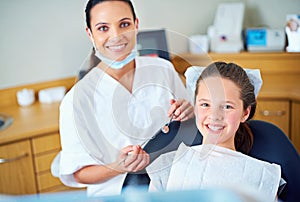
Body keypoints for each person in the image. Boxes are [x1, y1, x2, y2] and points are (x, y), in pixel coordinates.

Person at [56, 0, 194, 197]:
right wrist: (118, 167)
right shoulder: (77, 100)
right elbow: (78, 173)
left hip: (172, 182)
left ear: (136, 25)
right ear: (90, 34)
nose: (116, 36)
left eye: (124, 24)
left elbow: (190, 123)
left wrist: (189, 112)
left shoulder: (163, 69)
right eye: (103, 28)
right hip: (115, 193)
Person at [147, 62, 282, 201]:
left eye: (227, 106)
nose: (214, 115)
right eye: (205, 104)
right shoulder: (168, 168)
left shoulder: (262, 178)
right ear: (195, 106)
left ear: (245, 113)